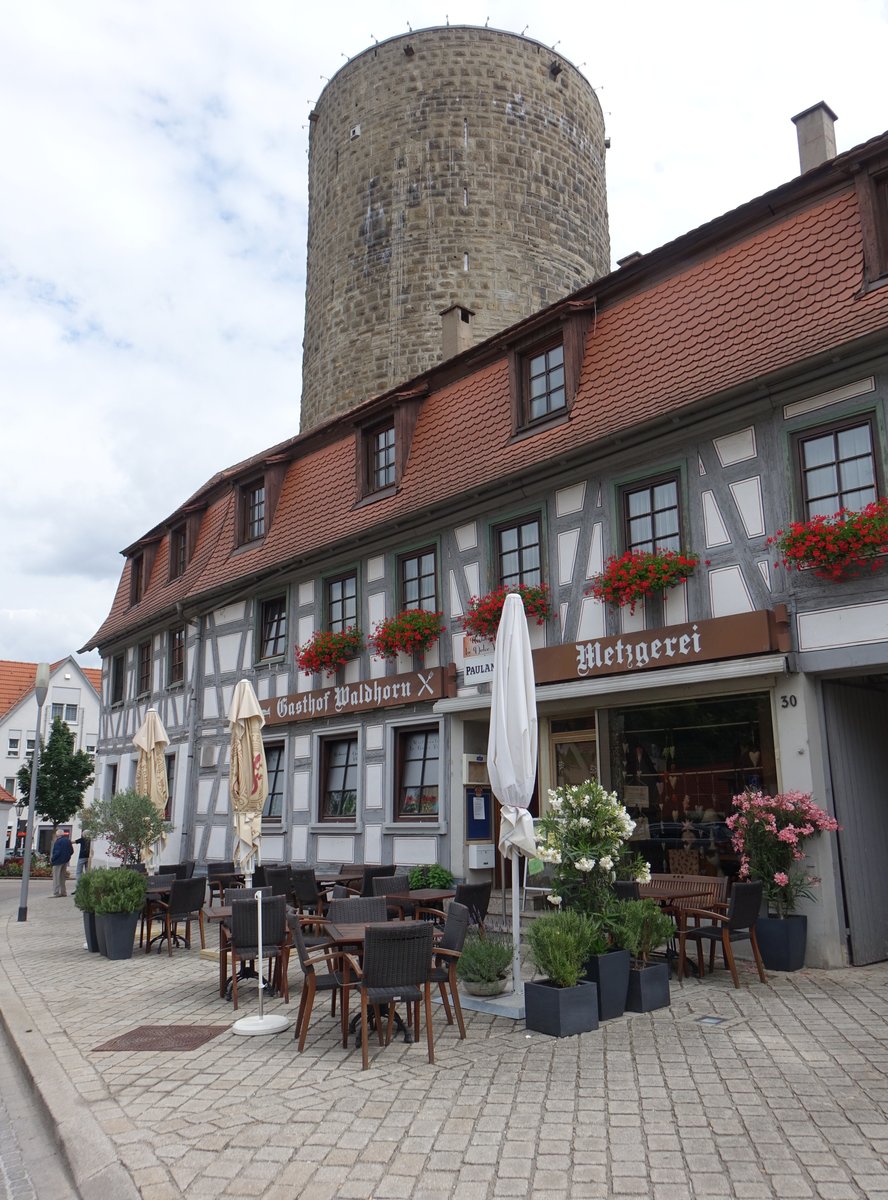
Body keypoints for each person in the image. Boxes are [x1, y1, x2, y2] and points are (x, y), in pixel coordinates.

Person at [50, 830, 75, 897]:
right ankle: (63, 892)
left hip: (58, 861)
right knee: (62, 877)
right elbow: (72, 851)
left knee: (56, 878)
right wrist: (67, 857)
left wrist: (52, 859)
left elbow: (57, 852)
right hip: (65, 861)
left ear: (57, 835)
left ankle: (56, 892)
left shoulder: (58, 842)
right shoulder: (68, 841)